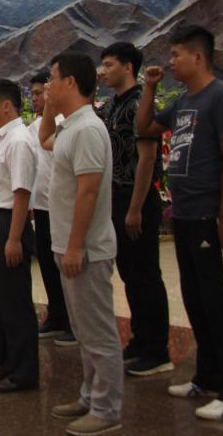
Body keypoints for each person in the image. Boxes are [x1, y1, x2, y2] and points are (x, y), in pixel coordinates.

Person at [137, 26, 223, 421]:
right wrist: (150, 88)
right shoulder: (183, 101)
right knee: (198, 302)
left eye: (176, 55)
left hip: (210, 216)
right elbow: (145, 128)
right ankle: (208, 376)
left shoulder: (221, 97)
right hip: (185, 217)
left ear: (198, 57)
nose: (170, 62)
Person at [44, 53, 123, 436]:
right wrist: (49, 104)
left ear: (71, 82)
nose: (48, 85)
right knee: (84, 330)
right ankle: (90, 395)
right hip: (69, 247)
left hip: (86, 250)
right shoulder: (70, 126)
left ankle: (107, 409)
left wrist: (75, 246)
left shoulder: (88, 129)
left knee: (98, 333)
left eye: (52, 78)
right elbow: (44, 141)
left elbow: (88, 192)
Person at [98, 42, 172, 376]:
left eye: (109, 65)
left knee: (145, 275)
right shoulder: (112, 104)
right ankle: (140, 340)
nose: (103, 71)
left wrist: (135, 208)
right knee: (130, 274)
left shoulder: (141, 101)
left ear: (128, 67)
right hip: (116, 196)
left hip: (136, 197)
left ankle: (157, 350)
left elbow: (147, 158)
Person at [0, 79, 39, 393]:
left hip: (6, 223)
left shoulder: (19, 140)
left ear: (7, 105)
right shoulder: (1, 137)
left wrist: (13, 239)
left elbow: (21, 193)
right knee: (0, 298)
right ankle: (7, 363)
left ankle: (24, 373)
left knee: (15, 301)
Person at [27, 72, 74, 347]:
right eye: (32, 94)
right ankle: (56, 314)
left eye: (39, 93)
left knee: (65, 265)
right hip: (41, 206)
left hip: (63, 206)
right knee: (46, 262)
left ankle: (73, 321)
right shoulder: (33, 126)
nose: (34, 98)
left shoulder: (66, 123)